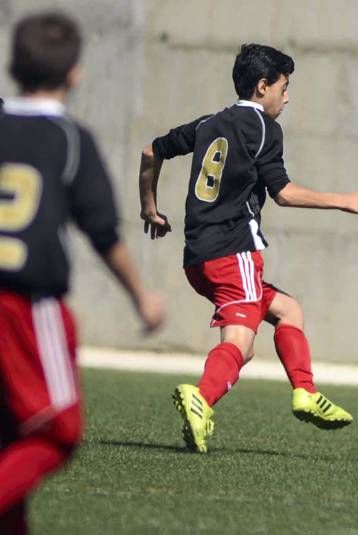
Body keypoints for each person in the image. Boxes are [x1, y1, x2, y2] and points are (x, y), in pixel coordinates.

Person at [139, 43, 358, 453]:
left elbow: (151, 151)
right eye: (284, 87)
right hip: (235, 252)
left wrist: (150, 208)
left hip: (197, 258)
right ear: (263, 86)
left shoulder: (209, 122)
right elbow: (282, 192)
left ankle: (304, 391)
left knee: (288, 310)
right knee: (241, 345)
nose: (288, 96)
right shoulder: (264, 126)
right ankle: (203, 398)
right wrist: (343, 200)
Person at [0, 12, 165, 533]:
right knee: (57, 433)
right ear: (76, 73)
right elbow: (102, 230)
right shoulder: (69, 139)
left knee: (11, 438)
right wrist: (141, 295)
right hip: (26, 307)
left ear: (11, 67)